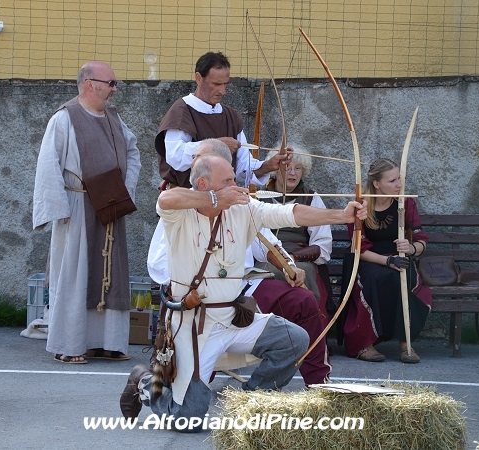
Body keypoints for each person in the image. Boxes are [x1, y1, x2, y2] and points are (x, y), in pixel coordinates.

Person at [120, 154, 367, 427]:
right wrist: (215, 201)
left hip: (233, 318)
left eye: (234, 179)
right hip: (194, 326)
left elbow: (291, 213)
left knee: (294, 339)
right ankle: (143, 380)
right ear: (203, 184)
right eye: (227, 181)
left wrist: (341, 215)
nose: (236, 186)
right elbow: (166, 199)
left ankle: (249, 402)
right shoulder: (180, 213)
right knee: (185, 421)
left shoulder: (244, 208)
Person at [147, 139, 331, 386]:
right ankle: (169, 383)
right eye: (195, 160)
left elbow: (266, 242)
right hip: (197, 299)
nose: (193, 165)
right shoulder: (182, 205)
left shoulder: (239, 204)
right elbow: (160, 265)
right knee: (190, 396)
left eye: (200, 159)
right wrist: (191, 285)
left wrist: (288, 265)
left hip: (242, 288)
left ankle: (310, 383)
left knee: (303, 301)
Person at [33, 61, 141, 364]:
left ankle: (104, 342)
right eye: (111, 83)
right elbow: (48, 162)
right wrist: (58, 206)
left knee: (111, 274)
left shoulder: (115, 119)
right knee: (75, 273)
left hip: (109, 205)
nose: (115, 89)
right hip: (77, 206)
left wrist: (124, 189)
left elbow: (133, 152)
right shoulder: (65, 118)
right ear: (90, 84)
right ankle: (69, 345)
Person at [340, 158, 431, 363]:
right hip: (367, 258)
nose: (399, 185)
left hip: (398, 256)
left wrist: (411, 248)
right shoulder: (360, 205)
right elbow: (358, 248)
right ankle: (364, 344)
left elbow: (421, 239)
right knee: (373, 278)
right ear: (377, 184)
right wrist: (387, 261)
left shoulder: (405, 203)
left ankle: (406, 343)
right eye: (392, 181)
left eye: (399, 179)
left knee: (405, 277)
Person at [155, 51, 288, 189]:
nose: (222, 91)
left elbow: (242, 165)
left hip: (223, 199)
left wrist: (268, 166)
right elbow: (175, 156)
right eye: (216, 84)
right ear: (198, 78)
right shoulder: (182, 111)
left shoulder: (230, 116)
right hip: (187, 198)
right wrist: (217, 145)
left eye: (225, 84)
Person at [258, 149, 334, 327]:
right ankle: (265, 329)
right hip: (265, 256)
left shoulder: (310, 198)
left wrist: (290, 259)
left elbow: (322, 245)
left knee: (299, 271)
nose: (293, 173)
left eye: (298, 168)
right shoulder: (258, 197)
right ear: (276, 170)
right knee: (260, 273)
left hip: (298, 257)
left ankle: (307, 331)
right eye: (287, 167)